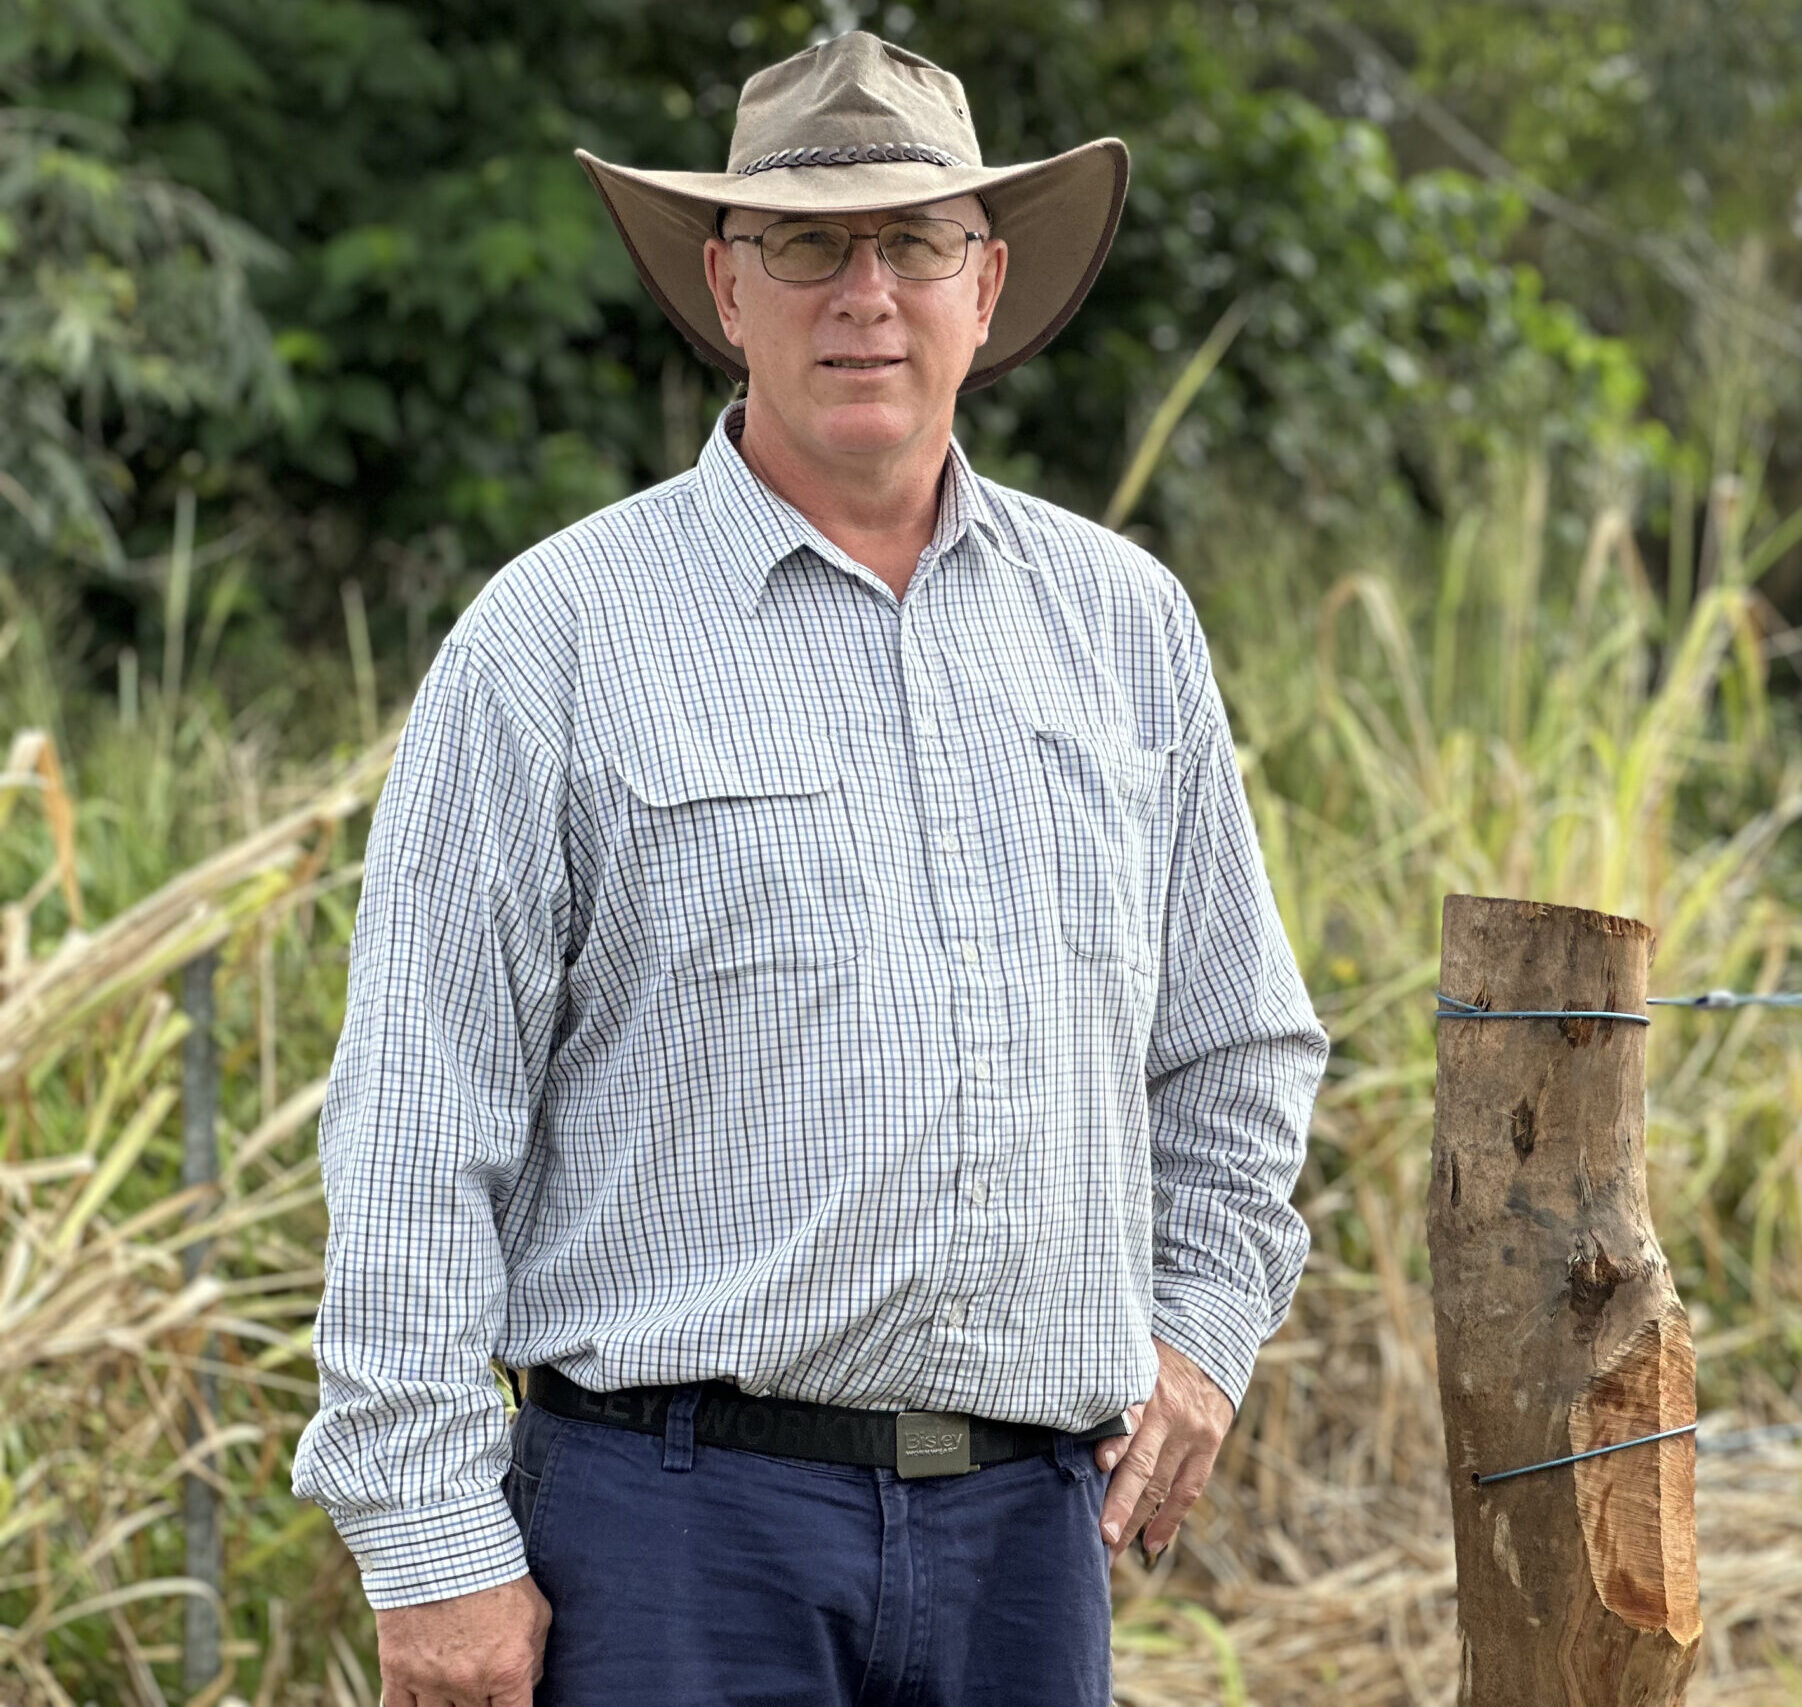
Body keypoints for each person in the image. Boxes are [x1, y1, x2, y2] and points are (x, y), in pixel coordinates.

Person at [291, 31, 1325, 1707]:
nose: (868, 294)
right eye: (807, 244)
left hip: (1026, 1542)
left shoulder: (1124, 629)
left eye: (916, 244)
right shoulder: (554, 640)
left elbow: (1238, 1049)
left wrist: (1203, 1329)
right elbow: (418, 1109)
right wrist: (433, 1550)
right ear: (724, 286)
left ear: (984, 286)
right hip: (667, 1538)